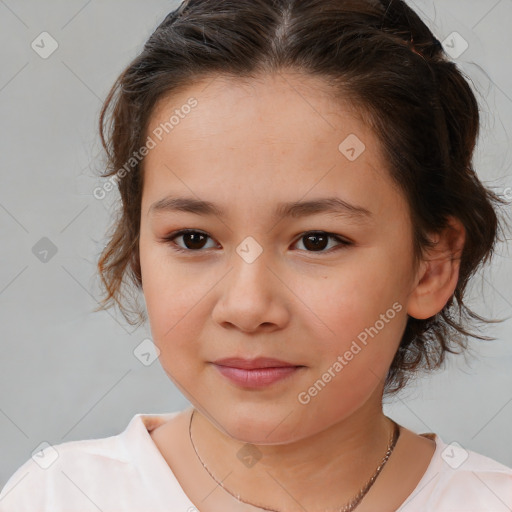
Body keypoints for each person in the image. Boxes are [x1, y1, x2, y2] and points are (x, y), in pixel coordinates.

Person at [1, 0, 511, 510]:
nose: (247, 308)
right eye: (194, 239)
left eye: (317, 240)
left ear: (431, 266)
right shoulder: (57, 495)